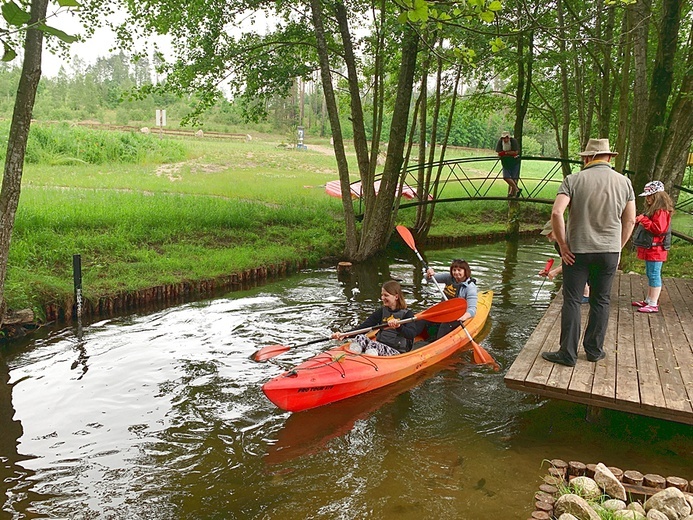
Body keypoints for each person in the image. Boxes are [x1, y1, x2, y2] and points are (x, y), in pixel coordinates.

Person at [542, 138, 636, 367]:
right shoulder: (624, 183)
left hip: (578, 251)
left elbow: (556, 213)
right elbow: (630, 219)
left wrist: (563, 246)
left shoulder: (573, 180)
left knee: (572, 300)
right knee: (601, 300)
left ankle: (568, 354)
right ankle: (593, 350)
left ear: (587, 158)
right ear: (609, 157)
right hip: (609, 251)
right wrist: (619, 246)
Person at [332, 280, 418, 356]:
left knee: (373, 345)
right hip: (380, 346)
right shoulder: (382, 312)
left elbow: (411, 334)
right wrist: (344, 335)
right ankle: (353, 358)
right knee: (360, 337)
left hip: (396, 351)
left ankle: (366, 359)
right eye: (382, 295)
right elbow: (364, 327)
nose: (382, 298)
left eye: (386, 295)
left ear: (396, 297)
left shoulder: (407, 314)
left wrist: (399, 327)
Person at [631, 181, 674, 313]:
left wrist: (643, 220)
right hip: (652, 249)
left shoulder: (661, 211)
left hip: (657, 249)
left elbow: (659, 229)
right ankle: (649, 299)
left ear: (657, 197)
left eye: (650, 196)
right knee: (650, 274)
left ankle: (653, 302)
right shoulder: (655, 211)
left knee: (654, 274)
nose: (647, 199)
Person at [538, 220, 590, 304]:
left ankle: (586, 294)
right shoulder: (557, 244)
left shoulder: (572, 240)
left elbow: (575, 262)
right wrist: (550, 272)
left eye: (549, 233)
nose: (547, 236)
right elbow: (565, 261)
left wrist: (555, 271)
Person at [424, 259, 477, 339]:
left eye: (459, 270)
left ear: (465, 271)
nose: (456, 272)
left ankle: (437, 342)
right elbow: (429, 279)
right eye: (454, 270)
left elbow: (472, 310)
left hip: (457, 315)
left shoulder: (470, 287)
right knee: (423, 322)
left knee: (444, 327)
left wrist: (463, 317)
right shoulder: (448, 278)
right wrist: (429, 274)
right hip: (444, 310)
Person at [495, 131, 521, 197]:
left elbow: (516, 152)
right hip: (505, 162)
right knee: (506, 177)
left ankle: (511, 193)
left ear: (509, 137)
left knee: (514, 178)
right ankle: (517, 189)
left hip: (515, 162)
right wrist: (509, 153)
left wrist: (505, 153)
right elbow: (499, 152)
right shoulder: (500, 142)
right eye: (503, 138)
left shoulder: (513, 141)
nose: (505, 139)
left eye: (506, 137)